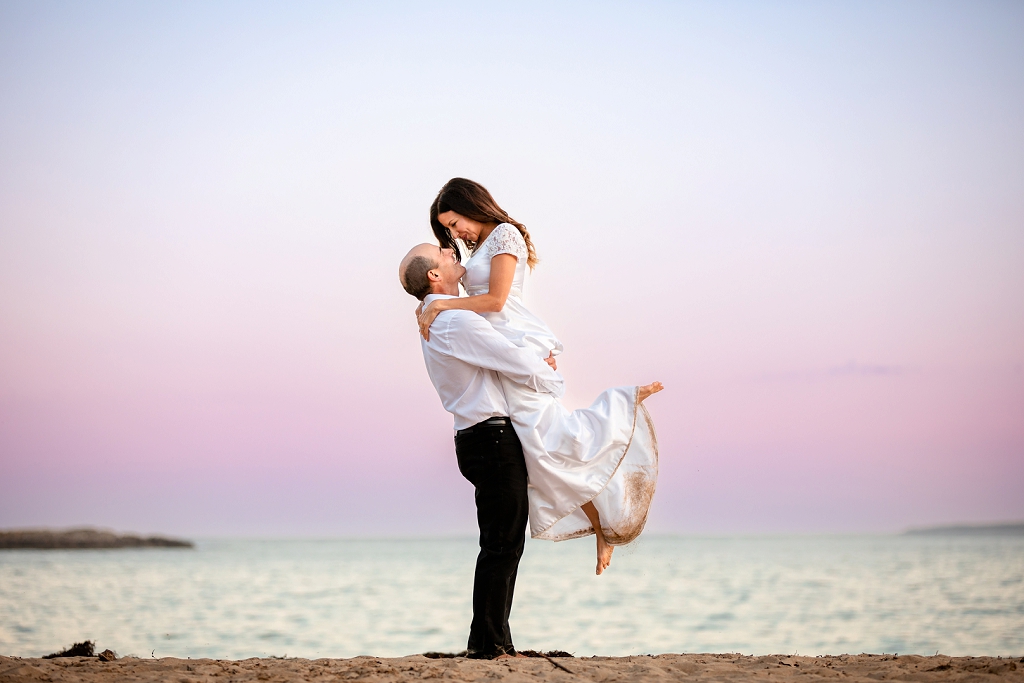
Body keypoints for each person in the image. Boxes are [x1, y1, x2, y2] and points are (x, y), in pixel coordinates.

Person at [418, 178, 663, 576]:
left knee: (553, 439)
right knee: (540, 452)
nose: (454, 232)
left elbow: (496, 301)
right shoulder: (479, 248)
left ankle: (621, 405)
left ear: (472, 205)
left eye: (454, 221)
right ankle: (601, 526)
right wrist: (436, 304)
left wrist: (442, 303)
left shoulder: (504, 236)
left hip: (516, 343)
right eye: (447, 228)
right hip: (501, 349)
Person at [398, 242, 564, 659]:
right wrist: (545, 366)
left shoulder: (438, 318)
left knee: (501, 541)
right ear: (435, 276)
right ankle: (490, 644)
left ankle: (493, 640)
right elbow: (513, 360)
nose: (452, 253)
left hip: (477, 437)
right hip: (490, 438)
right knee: (502, 544)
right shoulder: (453, 320)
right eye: (444, 255)